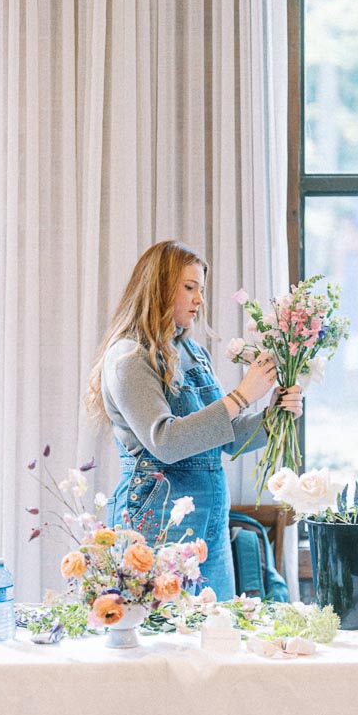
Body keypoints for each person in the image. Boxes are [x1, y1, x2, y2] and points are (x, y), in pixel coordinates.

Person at [86, 240, 303, 598]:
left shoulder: (193, 352)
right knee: (163, 631)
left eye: (200, 290)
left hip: (212, 512)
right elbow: (166, 442)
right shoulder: (129, 357)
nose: (199, 300)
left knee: (216, 627)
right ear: (158, 288)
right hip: (157, 511)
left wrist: (275, 415)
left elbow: (227, 438)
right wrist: (243, 394)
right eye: (189, 288)